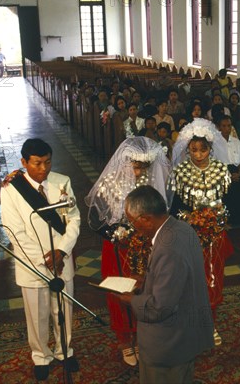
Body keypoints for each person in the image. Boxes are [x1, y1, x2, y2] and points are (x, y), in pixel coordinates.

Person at [85, 137, 171, 366]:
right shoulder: (110, 183)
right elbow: (97, 220)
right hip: (118, 249)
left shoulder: (151, 183)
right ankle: (125, 340)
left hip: (145, 248)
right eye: (134, 165)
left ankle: (143, 336)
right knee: (119, 292)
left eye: (142, 166)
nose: (137, 170)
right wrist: (119, 235)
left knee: (146, 291)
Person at [0, 138, 80, 380]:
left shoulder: (61, 181)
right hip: (32, 262)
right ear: (24, 162)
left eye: (47, 162)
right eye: (36, 163)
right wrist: (44, 259)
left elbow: (74, 219)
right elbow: (14, 231)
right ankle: (40, 355)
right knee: (36, 313)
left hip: (61, 259)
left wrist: (62, 251)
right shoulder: (11, 189)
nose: (43, 168)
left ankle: (64, 351)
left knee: (63, 308)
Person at [117, 186, 214, 384]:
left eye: (132, 221)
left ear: (146, 219)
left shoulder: (167, 249)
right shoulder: (182, 228)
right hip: (186, 332)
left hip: (169, 343)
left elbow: (159, 308)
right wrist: (147, 280)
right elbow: (179, 279)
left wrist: (131, 300)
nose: (133, 227)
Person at [169, 118, 234, 346]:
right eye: (193, 150)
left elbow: (227, 203)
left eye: (203, 149)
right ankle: (189, 322)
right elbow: (175, 207)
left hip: (214, 234)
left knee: (213, 277)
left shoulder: (220, 170)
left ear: (210, 148)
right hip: (188, 234)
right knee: (189, 279)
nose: (198, 155)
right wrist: (191, 219)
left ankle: (210, 323)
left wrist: (217, 217)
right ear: (187, 149)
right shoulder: (179, 172)